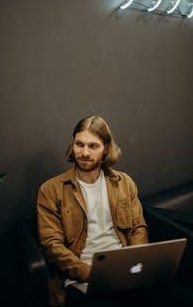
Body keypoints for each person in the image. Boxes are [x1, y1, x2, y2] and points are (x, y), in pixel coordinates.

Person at [37, 115, 149, 307]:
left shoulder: (124, 182)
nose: (84, 152)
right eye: (79, 144)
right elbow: (52, 246)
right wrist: (91, 273)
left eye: (93, 146)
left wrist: (132, 265)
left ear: (106, 149)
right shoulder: (51, 190)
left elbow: (139, 227)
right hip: (82, 280)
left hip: (126, 273)